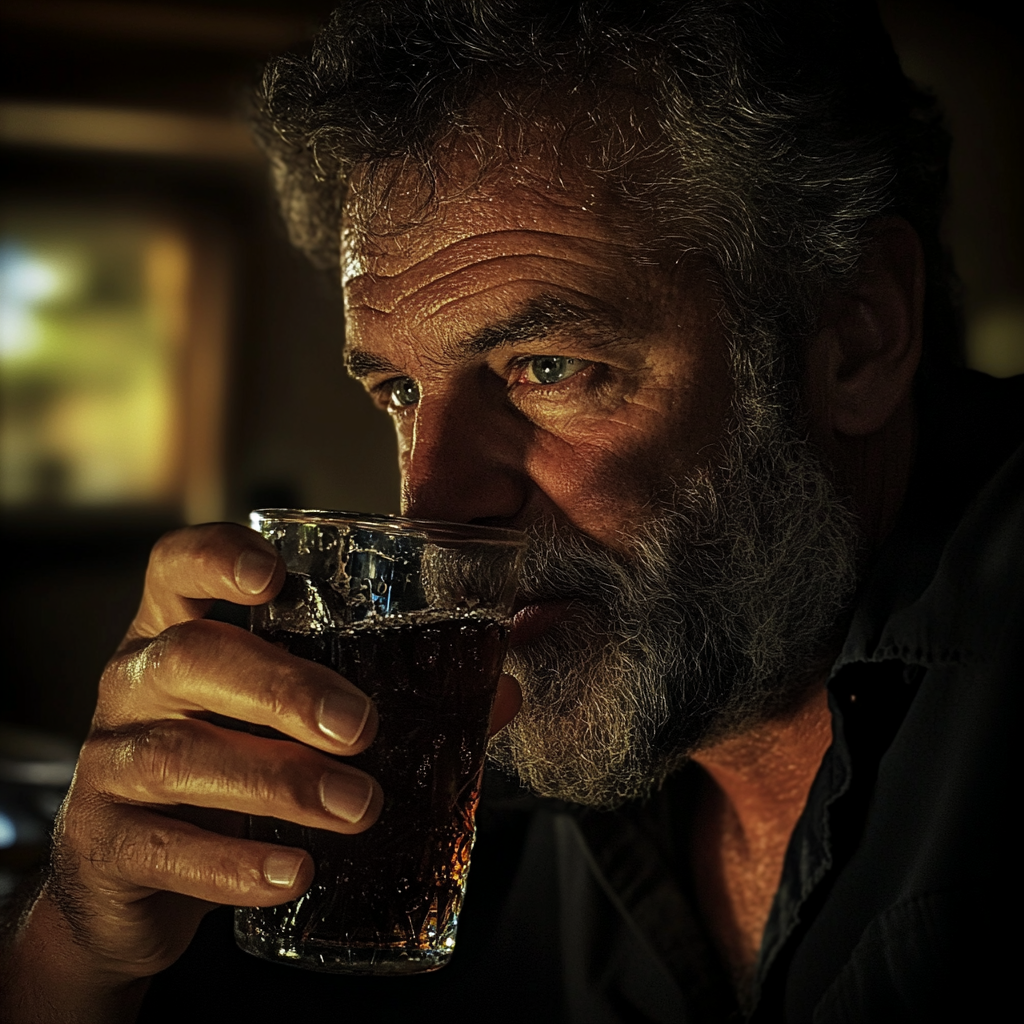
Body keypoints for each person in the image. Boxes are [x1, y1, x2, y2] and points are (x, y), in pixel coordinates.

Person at [2, 1, 1021, 1020]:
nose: (435, 504)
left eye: (545, 367)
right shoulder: (441, 760)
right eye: (399, 392)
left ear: (856, 335)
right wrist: (85, 947)